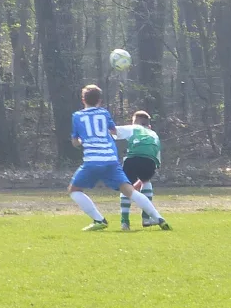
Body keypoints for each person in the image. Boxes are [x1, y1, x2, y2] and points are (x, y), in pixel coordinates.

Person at [68, 84, 171, 231]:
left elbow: (75, 142)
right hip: (110, 160)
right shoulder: (104, 113)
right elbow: (114, 131)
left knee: (74, 190)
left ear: (83, 99)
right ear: (100, 100)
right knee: (130, 190)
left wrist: (83, 140)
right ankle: (158, 218)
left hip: (92, 161)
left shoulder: (77, 116)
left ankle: (99, 220)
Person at [115, 111, 161, 231]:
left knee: (125, 186)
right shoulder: (154, 134)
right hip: (150, 161)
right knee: (146, 182)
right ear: (149, 125)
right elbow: (157, 157)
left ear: (134, 122)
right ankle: (146, 218)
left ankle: (124, 222)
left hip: (133, 158)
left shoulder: (133, 128)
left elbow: (113, 131)